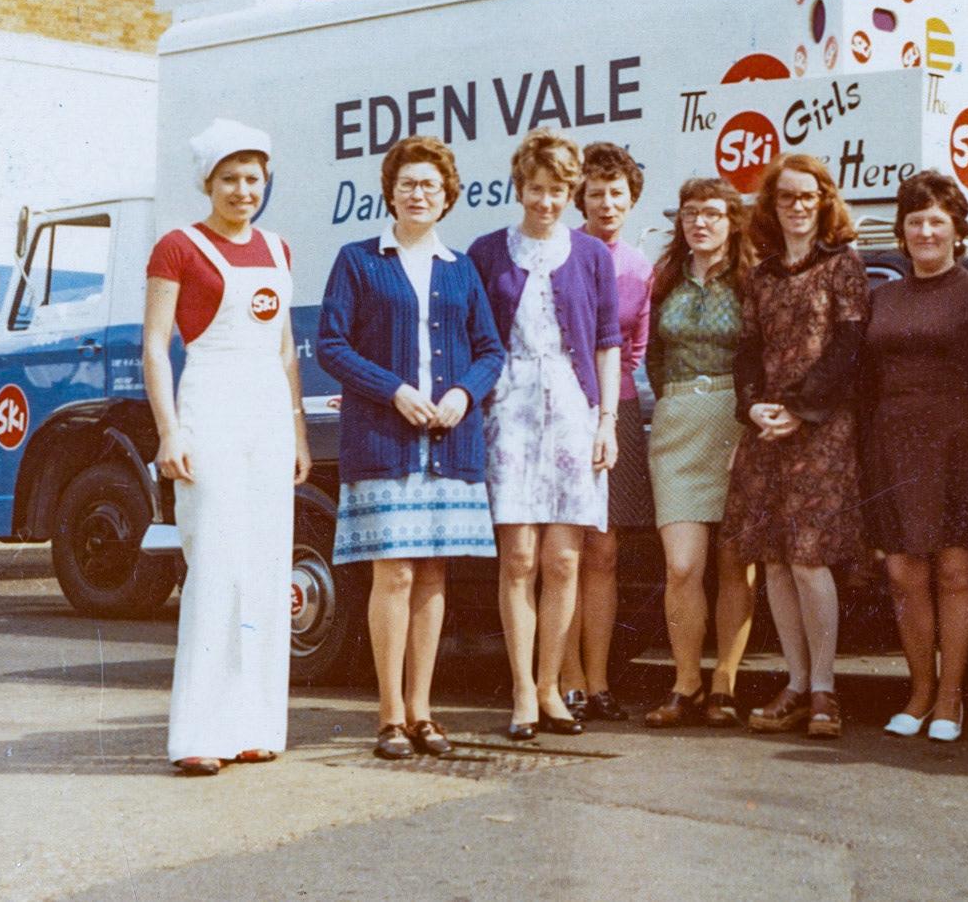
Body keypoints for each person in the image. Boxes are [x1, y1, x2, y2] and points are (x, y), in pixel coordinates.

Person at [318, 135, 506, 760]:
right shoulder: (358, 260)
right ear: (390, 193)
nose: (418, 194)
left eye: (430, 185)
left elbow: (490, 351)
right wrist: (394, 390)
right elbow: (332, 345)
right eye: (408, 184)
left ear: (448, 196)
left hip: (449, 447)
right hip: (385, 442)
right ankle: (389, 713)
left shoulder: (461, 269)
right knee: (393, 573)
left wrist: (464, 395)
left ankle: (425, 710)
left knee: (432, 574)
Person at [145, 120, 311, 776]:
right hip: (209, 404)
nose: (245, 190)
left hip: (268, 412)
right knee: (214, 563)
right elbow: (157, 343)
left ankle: (254, 724)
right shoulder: (177, 247)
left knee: (267, 566)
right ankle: (196, 733)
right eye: (231, 179)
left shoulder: (278, 248)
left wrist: (297, 431)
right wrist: (170, 431)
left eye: (254, 178)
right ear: (208, 183)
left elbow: (286, 348)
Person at [469, 129, 621, 740]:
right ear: (519, 188)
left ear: (571, 190)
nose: (546, 201)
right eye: (536, 189)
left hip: (572, 412)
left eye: (558, 190)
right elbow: (471, 336)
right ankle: (521, 691)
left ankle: (553, 685)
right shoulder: (485, 252)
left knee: (563, 560)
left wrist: (607, 420)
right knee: (520, 559)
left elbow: (609, 343)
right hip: (508, 410)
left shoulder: (592, 256)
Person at [863, 171, 968, 744]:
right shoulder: (881, 296)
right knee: (904, 573)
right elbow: (863, 383)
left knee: (955, 571)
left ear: (957, 231)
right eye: (915, 221)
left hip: (957, 443)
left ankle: (951, 697)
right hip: (893, 446)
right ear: (902, 233)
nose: (926, 231)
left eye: (937, 221)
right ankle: (919, 690)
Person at [724, 154, 870, 739]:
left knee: (809, 559)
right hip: (768, 431)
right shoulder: (761, 277)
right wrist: (752, 403)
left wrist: (800, 410)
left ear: (825, 201)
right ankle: (797, 681)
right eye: (786, 196)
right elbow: (746, 350)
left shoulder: (843, 266)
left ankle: (826, 691)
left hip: (820, 428)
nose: (798, 206)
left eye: (808, 196)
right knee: (776, 560)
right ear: (772, 205)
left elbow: (849, 349)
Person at [641, 177, 759, 729]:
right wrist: (674, 400)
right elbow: (654, 359)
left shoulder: (751, 280)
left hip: (738, 422)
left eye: (712, 213)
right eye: (691, 213)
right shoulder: (666, 280)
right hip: (678, 425)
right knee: (683, 564)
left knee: (738, 564)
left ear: (732, 221)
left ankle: (724, 685)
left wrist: (747, 422)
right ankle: (685, 682)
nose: (700, 223)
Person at [559, 142, 655, 723]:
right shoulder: (561, 251)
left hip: (612, 413)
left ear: (631, 198)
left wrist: (609, 404)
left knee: (604, 550)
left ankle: (597, 681)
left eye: (617, 192)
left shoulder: (641, 268)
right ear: (582, 199)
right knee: (567, 548)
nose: (607, 203)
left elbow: (635, 348)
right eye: (596, 193)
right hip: (565, 412)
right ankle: (566, 675)